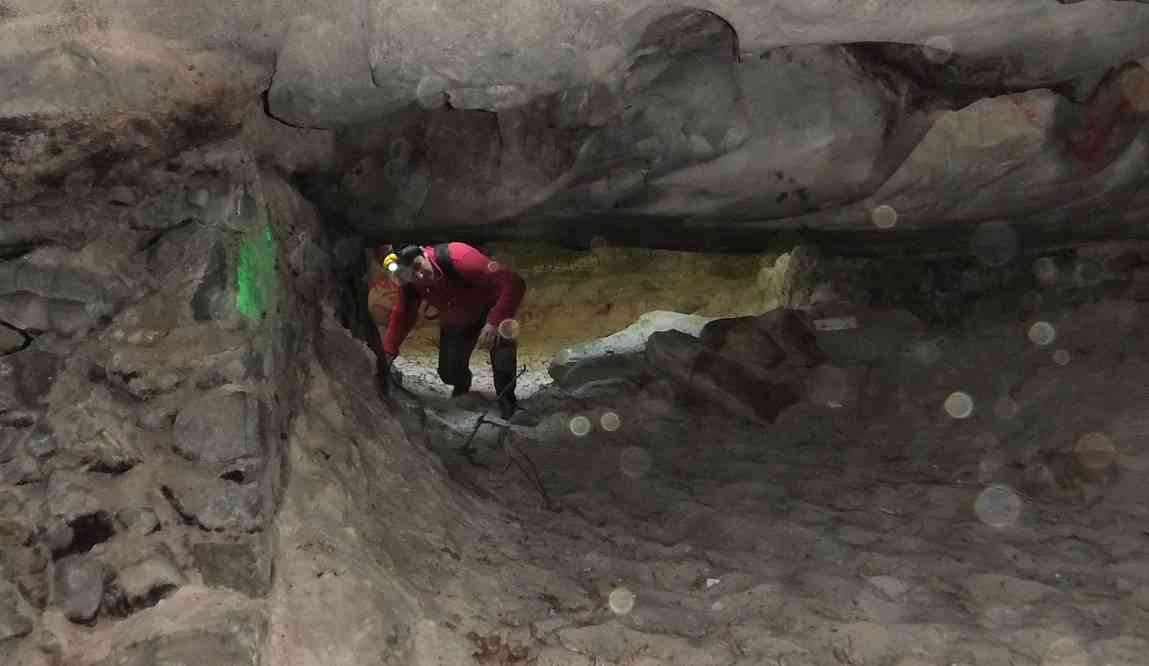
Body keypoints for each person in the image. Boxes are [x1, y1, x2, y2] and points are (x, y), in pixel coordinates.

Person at [374, 242, 526, 419]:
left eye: (418, 265)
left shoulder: (459, 257)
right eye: (412, 274)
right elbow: (404, 314)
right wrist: (388, 351)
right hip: (459, 315)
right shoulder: (411, 284)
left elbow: (514, 282)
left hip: (490, 307)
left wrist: (494, 321)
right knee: (448, 372)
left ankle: (507, 402)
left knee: (503, 350)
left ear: (423, 253)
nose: (420, 275)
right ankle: (462, 384)